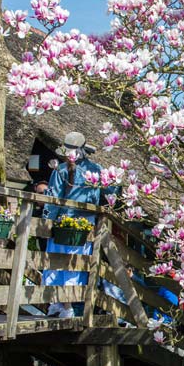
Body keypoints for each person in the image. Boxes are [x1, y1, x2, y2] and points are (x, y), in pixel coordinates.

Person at [41, 132, 108, 318]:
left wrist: (47, 221)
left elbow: (53, 198)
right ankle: (62, 305)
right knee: (75, 263)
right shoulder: (96, 170)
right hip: (86, 224)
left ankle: (64, 305)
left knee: (56, 262)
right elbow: (111, 190)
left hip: (64, 222)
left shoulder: (61, 170)